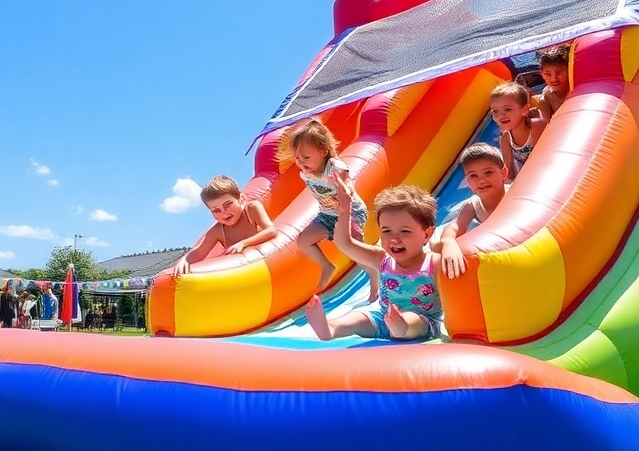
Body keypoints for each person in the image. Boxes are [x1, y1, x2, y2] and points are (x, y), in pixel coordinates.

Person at [304, 182, 456, 341]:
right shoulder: (382, 258)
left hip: (424, 322)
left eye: (404, 231)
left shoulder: (434, 263)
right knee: (357, 317)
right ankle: (330, 329)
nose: (394, 239)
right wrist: (345, 207)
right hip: (383, 317)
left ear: (426, 234)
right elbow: (344, 243)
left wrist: (449, 245)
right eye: (386, 231)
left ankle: (402, 327)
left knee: (413, 320)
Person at [289, 119, 375, 297]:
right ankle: (327, 266)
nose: (301, 162)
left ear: (323, 151)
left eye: (306, 157)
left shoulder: (334, 167)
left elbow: (348, 185)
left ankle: (374, 273)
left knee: (353, 248)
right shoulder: (305, 174)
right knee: (303, 240)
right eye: (297, 158)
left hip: (350, 211)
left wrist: (346, 191)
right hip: (328, 214)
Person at [173, 175, 278, 277]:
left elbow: (271, 231)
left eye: (227, 204)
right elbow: (198, 253)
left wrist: (244, 243)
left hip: (269, 264)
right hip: (245, 273)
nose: (224, 212)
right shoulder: (217, 231)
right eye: (216, 210)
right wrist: (184, 260)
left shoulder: (251, 209)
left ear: (241, 200)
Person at [433, 144, 507, 274]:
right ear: (467, 181)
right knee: (438, 247)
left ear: (503, 173)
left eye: (488, 172)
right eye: (473, 176)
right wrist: (448, 241)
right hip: (494, 246)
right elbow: (453, 228)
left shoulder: (514, 193)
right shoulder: (472, 205)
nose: (482, 180)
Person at [490, 81, 547, 181]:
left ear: (525, 110)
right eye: (495, 111)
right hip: (526, 177)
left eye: (507, 109)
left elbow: (543, 159)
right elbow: (509, 170)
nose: (500, 116)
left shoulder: (537, 127)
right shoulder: (505, 139)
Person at [536, 44, 571, 122]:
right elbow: (544, 124)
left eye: (559, 73)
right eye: (547, 74)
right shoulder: (547, 96)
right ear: (541, 72)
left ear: (570, 70)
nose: (553, 79)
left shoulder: (576, 88)